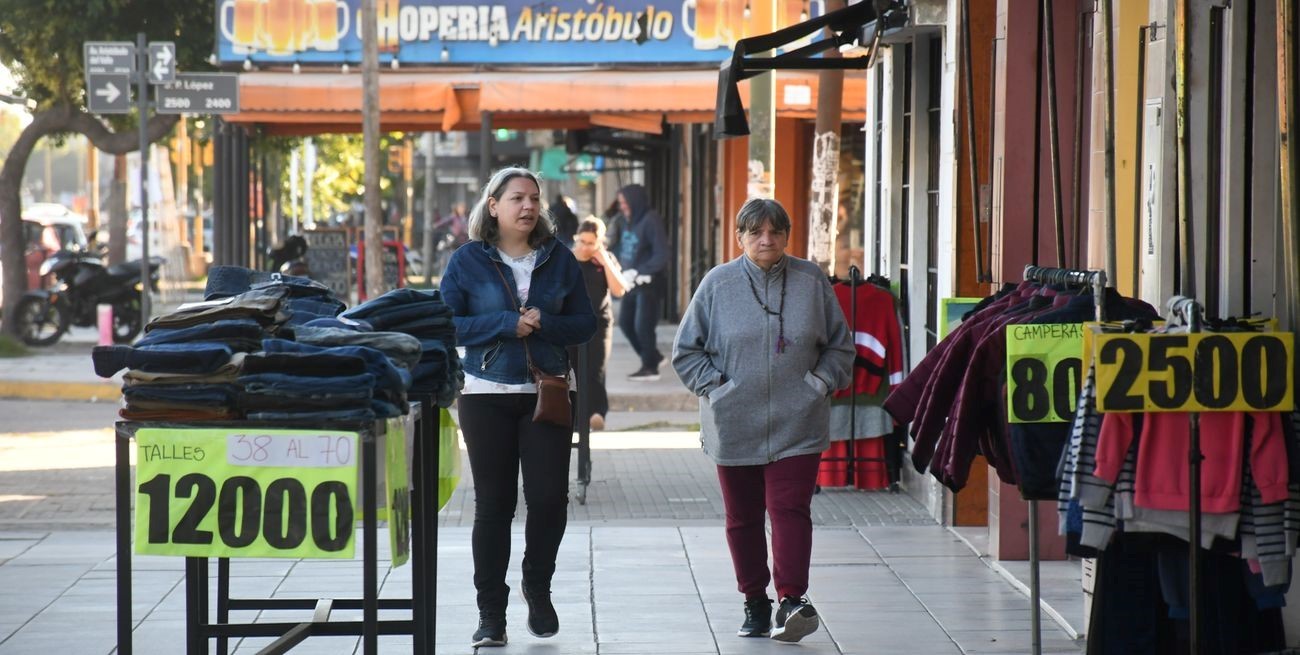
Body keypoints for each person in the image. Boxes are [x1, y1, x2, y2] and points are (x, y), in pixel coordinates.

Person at [671, 198, 854, 643]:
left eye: (775, 232)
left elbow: (840, 348)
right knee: (743, 517)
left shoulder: (811, 281)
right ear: (740, 237)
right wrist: (719, 390)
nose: (765, 240)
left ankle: (793, 599)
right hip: (733, 423)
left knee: (790, 510)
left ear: (787, 236)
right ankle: (755, 601)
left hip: (798, 422)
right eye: (755, 232)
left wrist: (817, 385)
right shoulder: (717, 284)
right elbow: (685, 351)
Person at [439, 167, 597, 648]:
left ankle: (537, 584)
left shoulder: (560, 259)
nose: (528, 207)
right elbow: (447, 324)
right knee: (494, 505)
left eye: (534, 198)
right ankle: (491, 614)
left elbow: (585, 324)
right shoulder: (467, 261)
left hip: (547, 393)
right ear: (493, 206)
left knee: (550, 499)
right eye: (516, 198)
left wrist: (545, 322)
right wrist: (506, 323)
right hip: (485, 394)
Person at [568, 216, 628, 431]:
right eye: (581, 241)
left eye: (590, 243)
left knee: (596, 369)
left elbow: (619, 290)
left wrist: (604, 260)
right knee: (571, 369)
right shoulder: (567, 258)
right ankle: (574, 417)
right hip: (571, 324)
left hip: (599, 323)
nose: (584, 247)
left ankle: (596, 413)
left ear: (599, 242)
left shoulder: (605, 260)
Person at [608, 184, 670, 380]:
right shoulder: (628, 220)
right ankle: (653, 357)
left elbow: (662, 255)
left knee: (643, 326)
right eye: (620, 202)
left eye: (625, 202)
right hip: (630, 283)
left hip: (648, 283)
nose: (622, 206)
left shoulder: (651, 220)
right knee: (626, 324)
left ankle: (650, 367)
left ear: (635, 200)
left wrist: (639, 271)